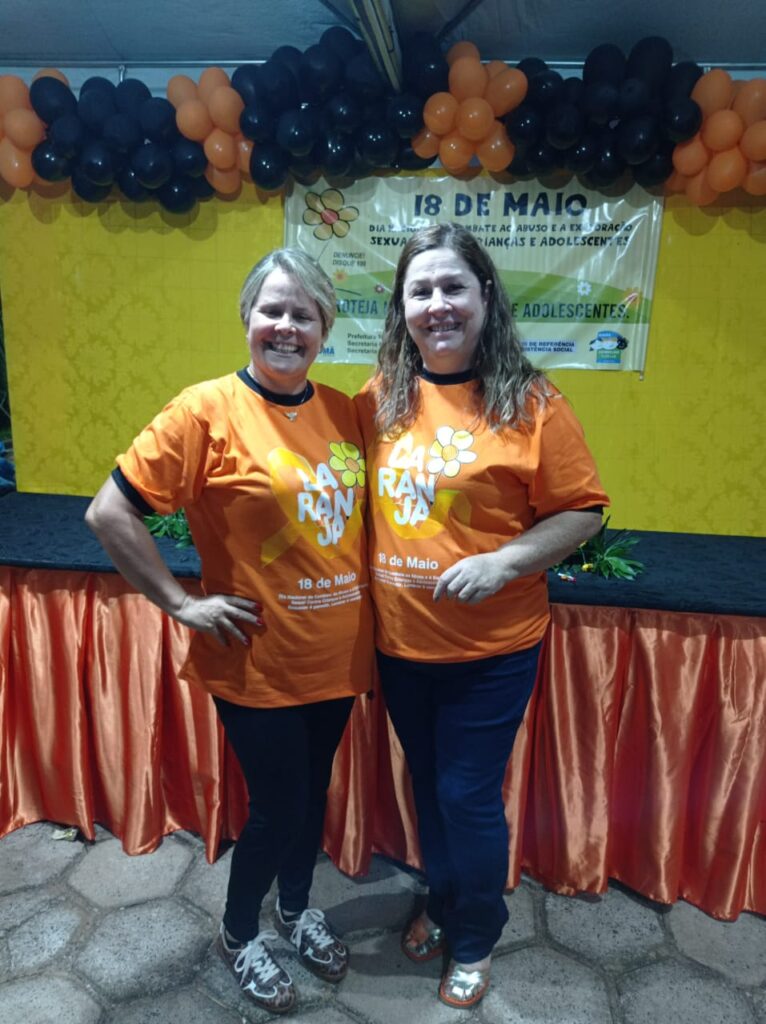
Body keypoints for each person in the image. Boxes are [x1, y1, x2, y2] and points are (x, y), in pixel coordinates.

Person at [86, 248, 374, 1015]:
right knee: (278, 806)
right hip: (256, 661)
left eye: (303, 314)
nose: (286, 326)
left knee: (313, 793)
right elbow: (109, 514)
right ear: (247, 316)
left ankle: (296, 909)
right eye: (272, 309)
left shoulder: (345, 411)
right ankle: (240, 932)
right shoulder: (203, 410)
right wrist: (181, 605)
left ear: (325, 327)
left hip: (337, 657)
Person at [356, 223, 609, 1009]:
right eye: (421, 290)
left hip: (492, 651)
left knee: (465, 794)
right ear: (402, 308)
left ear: (485, 295)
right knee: (430, 787)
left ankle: (475, 934)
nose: (438, 304)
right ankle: (441, 898)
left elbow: (583, 511)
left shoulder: (533, 402)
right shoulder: (378, 398)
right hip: (401, 648)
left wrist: (506, 562)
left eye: (453, 287)